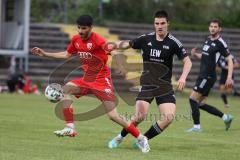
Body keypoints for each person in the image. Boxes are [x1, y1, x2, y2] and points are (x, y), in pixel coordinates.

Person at [31, 15, 150, 153]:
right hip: (86, 80)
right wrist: (45, 54)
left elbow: (115, 50)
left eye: (84, 28)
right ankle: (70, 127)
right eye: (79, 28)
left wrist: (121, 66)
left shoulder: (98, 40)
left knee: (113, 116)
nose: (80, 31)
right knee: (65, 90)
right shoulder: (76, 40)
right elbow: (66, 54)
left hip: (101, 82)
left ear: (91, 28)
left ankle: (141, 138)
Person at [108, 10, 192, 149]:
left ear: (168, 24)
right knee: (139, 116)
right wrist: (113, 45)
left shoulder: (173, 42)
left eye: (162, 23)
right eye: (157, 23)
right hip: (147, 84)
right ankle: (119, 138)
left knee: (169, 117)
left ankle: (143, 139)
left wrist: (183, 78)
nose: (159, 26)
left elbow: (188, 62)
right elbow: (127, 44)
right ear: (154, 24)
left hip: (164, 86)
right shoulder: (146, 39)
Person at [188, 19, 234, 132]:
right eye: (211, 26)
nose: (213, 28)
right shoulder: (208, 39)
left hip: (207, 76)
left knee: (192, 99)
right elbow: (205, 56)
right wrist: (195, 54)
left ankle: (196, 127)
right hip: (204, 75)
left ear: (219, 29)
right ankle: (226, 117)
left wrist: (229, 77)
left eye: (215, 26)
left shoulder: (221, 43)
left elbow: (230, 60)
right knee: (200, 104)